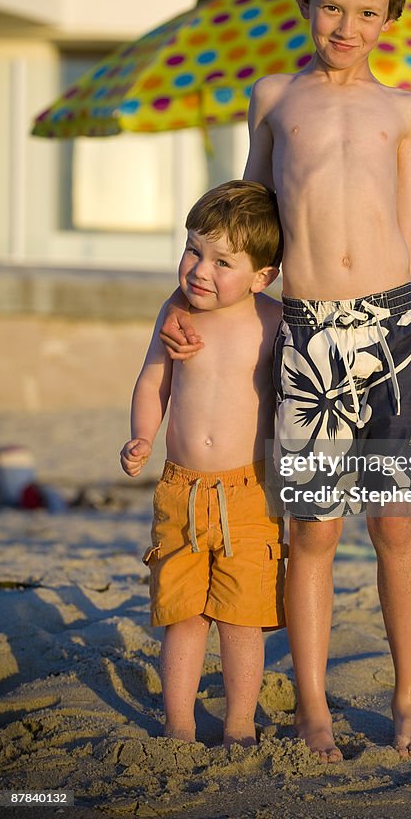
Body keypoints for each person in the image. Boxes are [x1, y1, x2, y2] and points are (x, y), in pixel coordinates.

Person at [161, 0, 411, 763]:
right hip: (311, 336)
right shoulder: (276, 98)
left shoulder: (403, 110)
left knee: (396, 525)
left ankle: (408, 695)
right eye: (330, 7)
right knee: (313, 531)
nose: (345, 27)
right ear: (305, 4)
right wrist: (195, 302)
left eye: (365, 10)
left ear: (389, 16)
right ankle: (313, 706)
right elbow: (240, 221)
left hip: (391, 330)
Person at [120, 180, 286, 747]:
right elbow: (151, 381)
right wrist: (143, 435)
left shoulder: (274, 321)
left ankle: (240, 723)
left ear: (262, 276)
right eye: (193, 250)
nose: (200, 270)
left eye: (223, 261)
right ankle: (180, 726)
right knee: (183, 614)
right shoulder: (175, 312)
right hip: (180, 490)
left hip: (249, 493)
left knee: (243, 618)